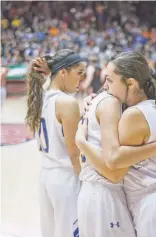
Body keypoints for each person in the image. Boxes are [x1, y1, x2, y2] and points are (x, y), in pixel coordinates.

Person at [76, 51, 156, 237]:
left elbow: (114, 160)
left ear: (131, 82)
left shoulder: (133, 115)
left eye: (110, 81)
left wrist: (80, 141)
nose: (105, 86)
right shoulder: (152, 106)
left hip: (152, 205)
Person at [25, 49, 87, 237]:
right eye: (79, 73)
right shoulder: (67, 103)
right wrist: (87, 184)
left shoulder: (39, 97)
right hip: (66, 179)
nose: (82, 79)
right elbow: (74, 153)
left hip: (46, 177)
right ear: (63, 73)